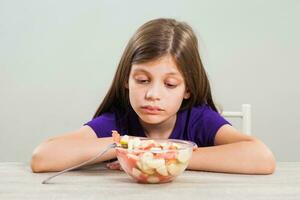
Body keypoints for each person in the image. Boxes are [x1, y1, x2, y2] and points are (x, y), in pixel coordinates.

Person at [31, 18, 275, 174]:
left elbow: (262, 158)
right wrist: (126, 146)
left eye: (170, 84)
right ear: (126, 80)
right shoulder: (117, 122)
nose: (152, 95)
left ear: (187, 88)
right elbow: (43, 156)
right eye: (142, 80)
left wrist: (162, 155)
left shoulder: (199, 118)